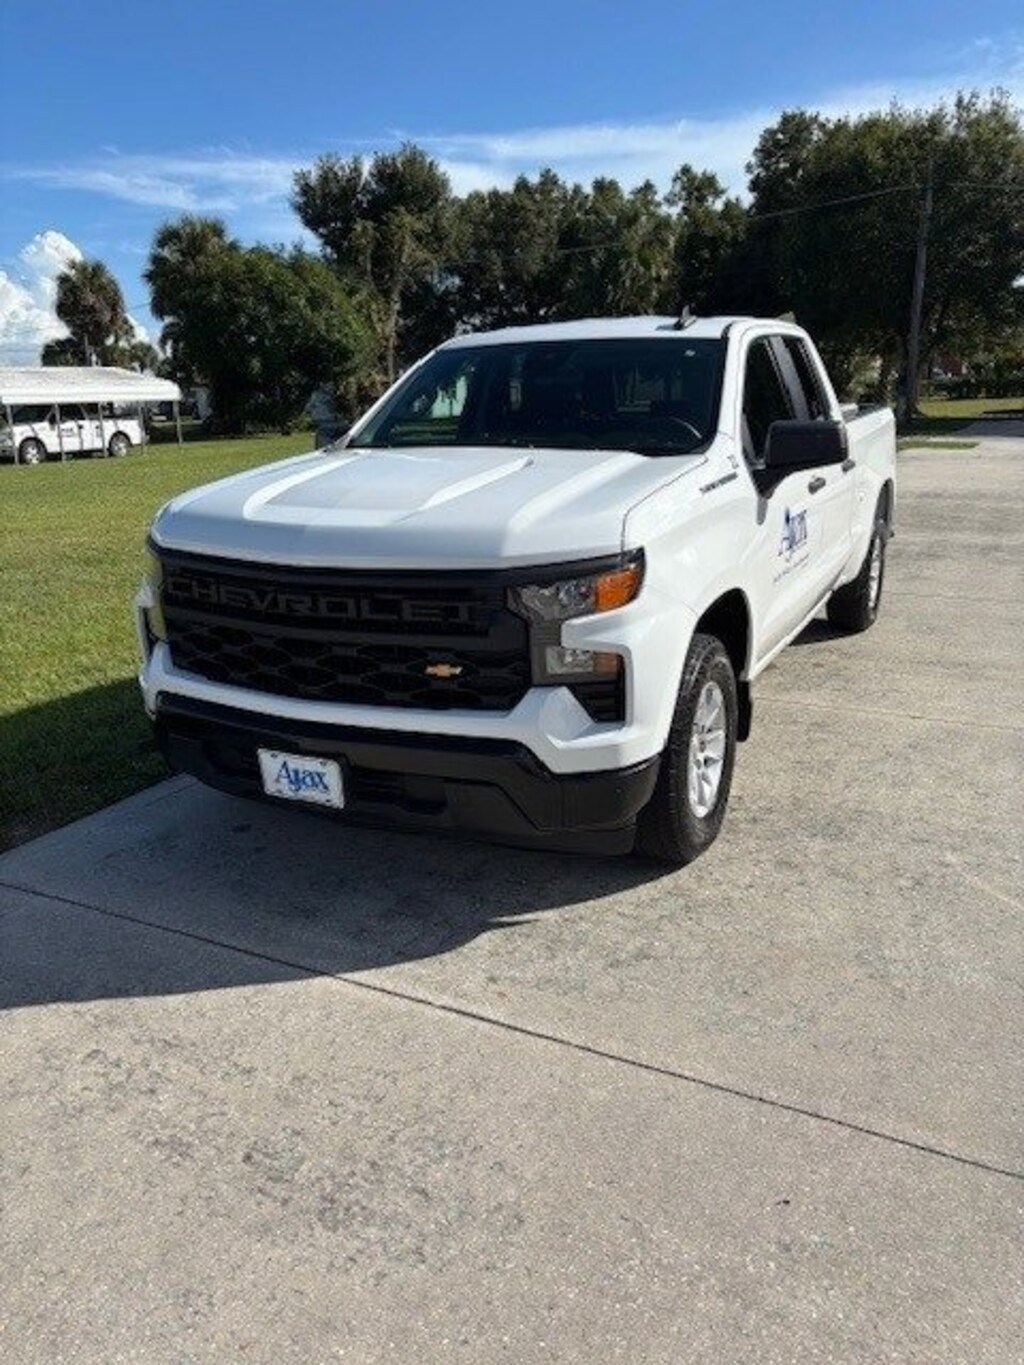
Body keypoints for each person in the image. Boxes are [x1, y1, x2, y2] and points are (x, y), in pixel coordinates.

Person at [304, 381, 341, 448]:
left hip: (323, 420)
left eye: (332, 386)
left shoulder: (317, 395)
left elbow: (308, 407)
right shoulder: (324, 396)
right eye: (329, 385)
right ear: (323, 385)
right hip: (325, 420)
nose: (332, 388)